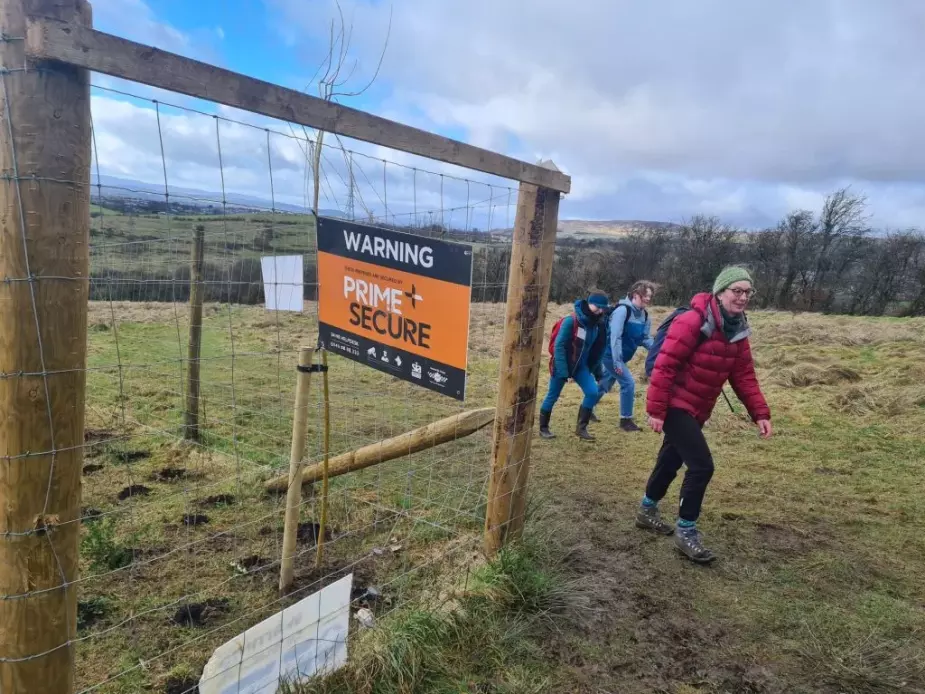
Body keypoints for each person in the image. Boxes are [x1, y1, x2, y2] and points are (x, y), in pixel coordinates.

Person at [634, 267, 772, 564]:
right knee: (701, 466)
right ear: (720, 292)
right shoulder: (692, 321)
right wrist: (656, 410)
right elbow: (665, 366)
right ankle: (686, 531)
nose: (743, 297)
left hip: (698, 407)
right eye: (736, 290)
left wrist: (759, 412)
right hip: (675, 404)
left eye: (747, 292)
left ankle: (647, 510)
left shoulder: (737, 328)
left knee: (671, 459)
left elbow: (744, 375)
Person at [538, 289, 609, 441]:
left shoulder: (596, 325)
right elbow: (559, 347)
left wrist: (597, 371)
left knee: (593, 392)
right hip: (562, 365)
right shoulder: (571, 321)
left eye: (603, 308)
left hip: (581, 367)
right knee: (553, 395)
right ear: (589, 303)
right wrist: (564, 373)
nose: (601, 311)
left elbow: (595, 350)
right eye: (598, 307)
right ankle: (543, 428)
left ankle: (581, 428)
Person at [594, 280, 656, 432]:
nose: (648, 299)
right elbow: (615, 337)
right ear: (635, 294)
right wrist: (616, 361)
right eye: (645, 296)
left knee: (604, 384)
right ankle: (625, 420)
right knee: (628, 383)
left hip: (621, 357)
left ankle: (587, 408)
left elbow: (644, 338)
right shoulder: (622, 311)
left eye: (649, 296)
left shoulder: (645, 315)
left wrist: (659, 348)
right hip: (610, 355)